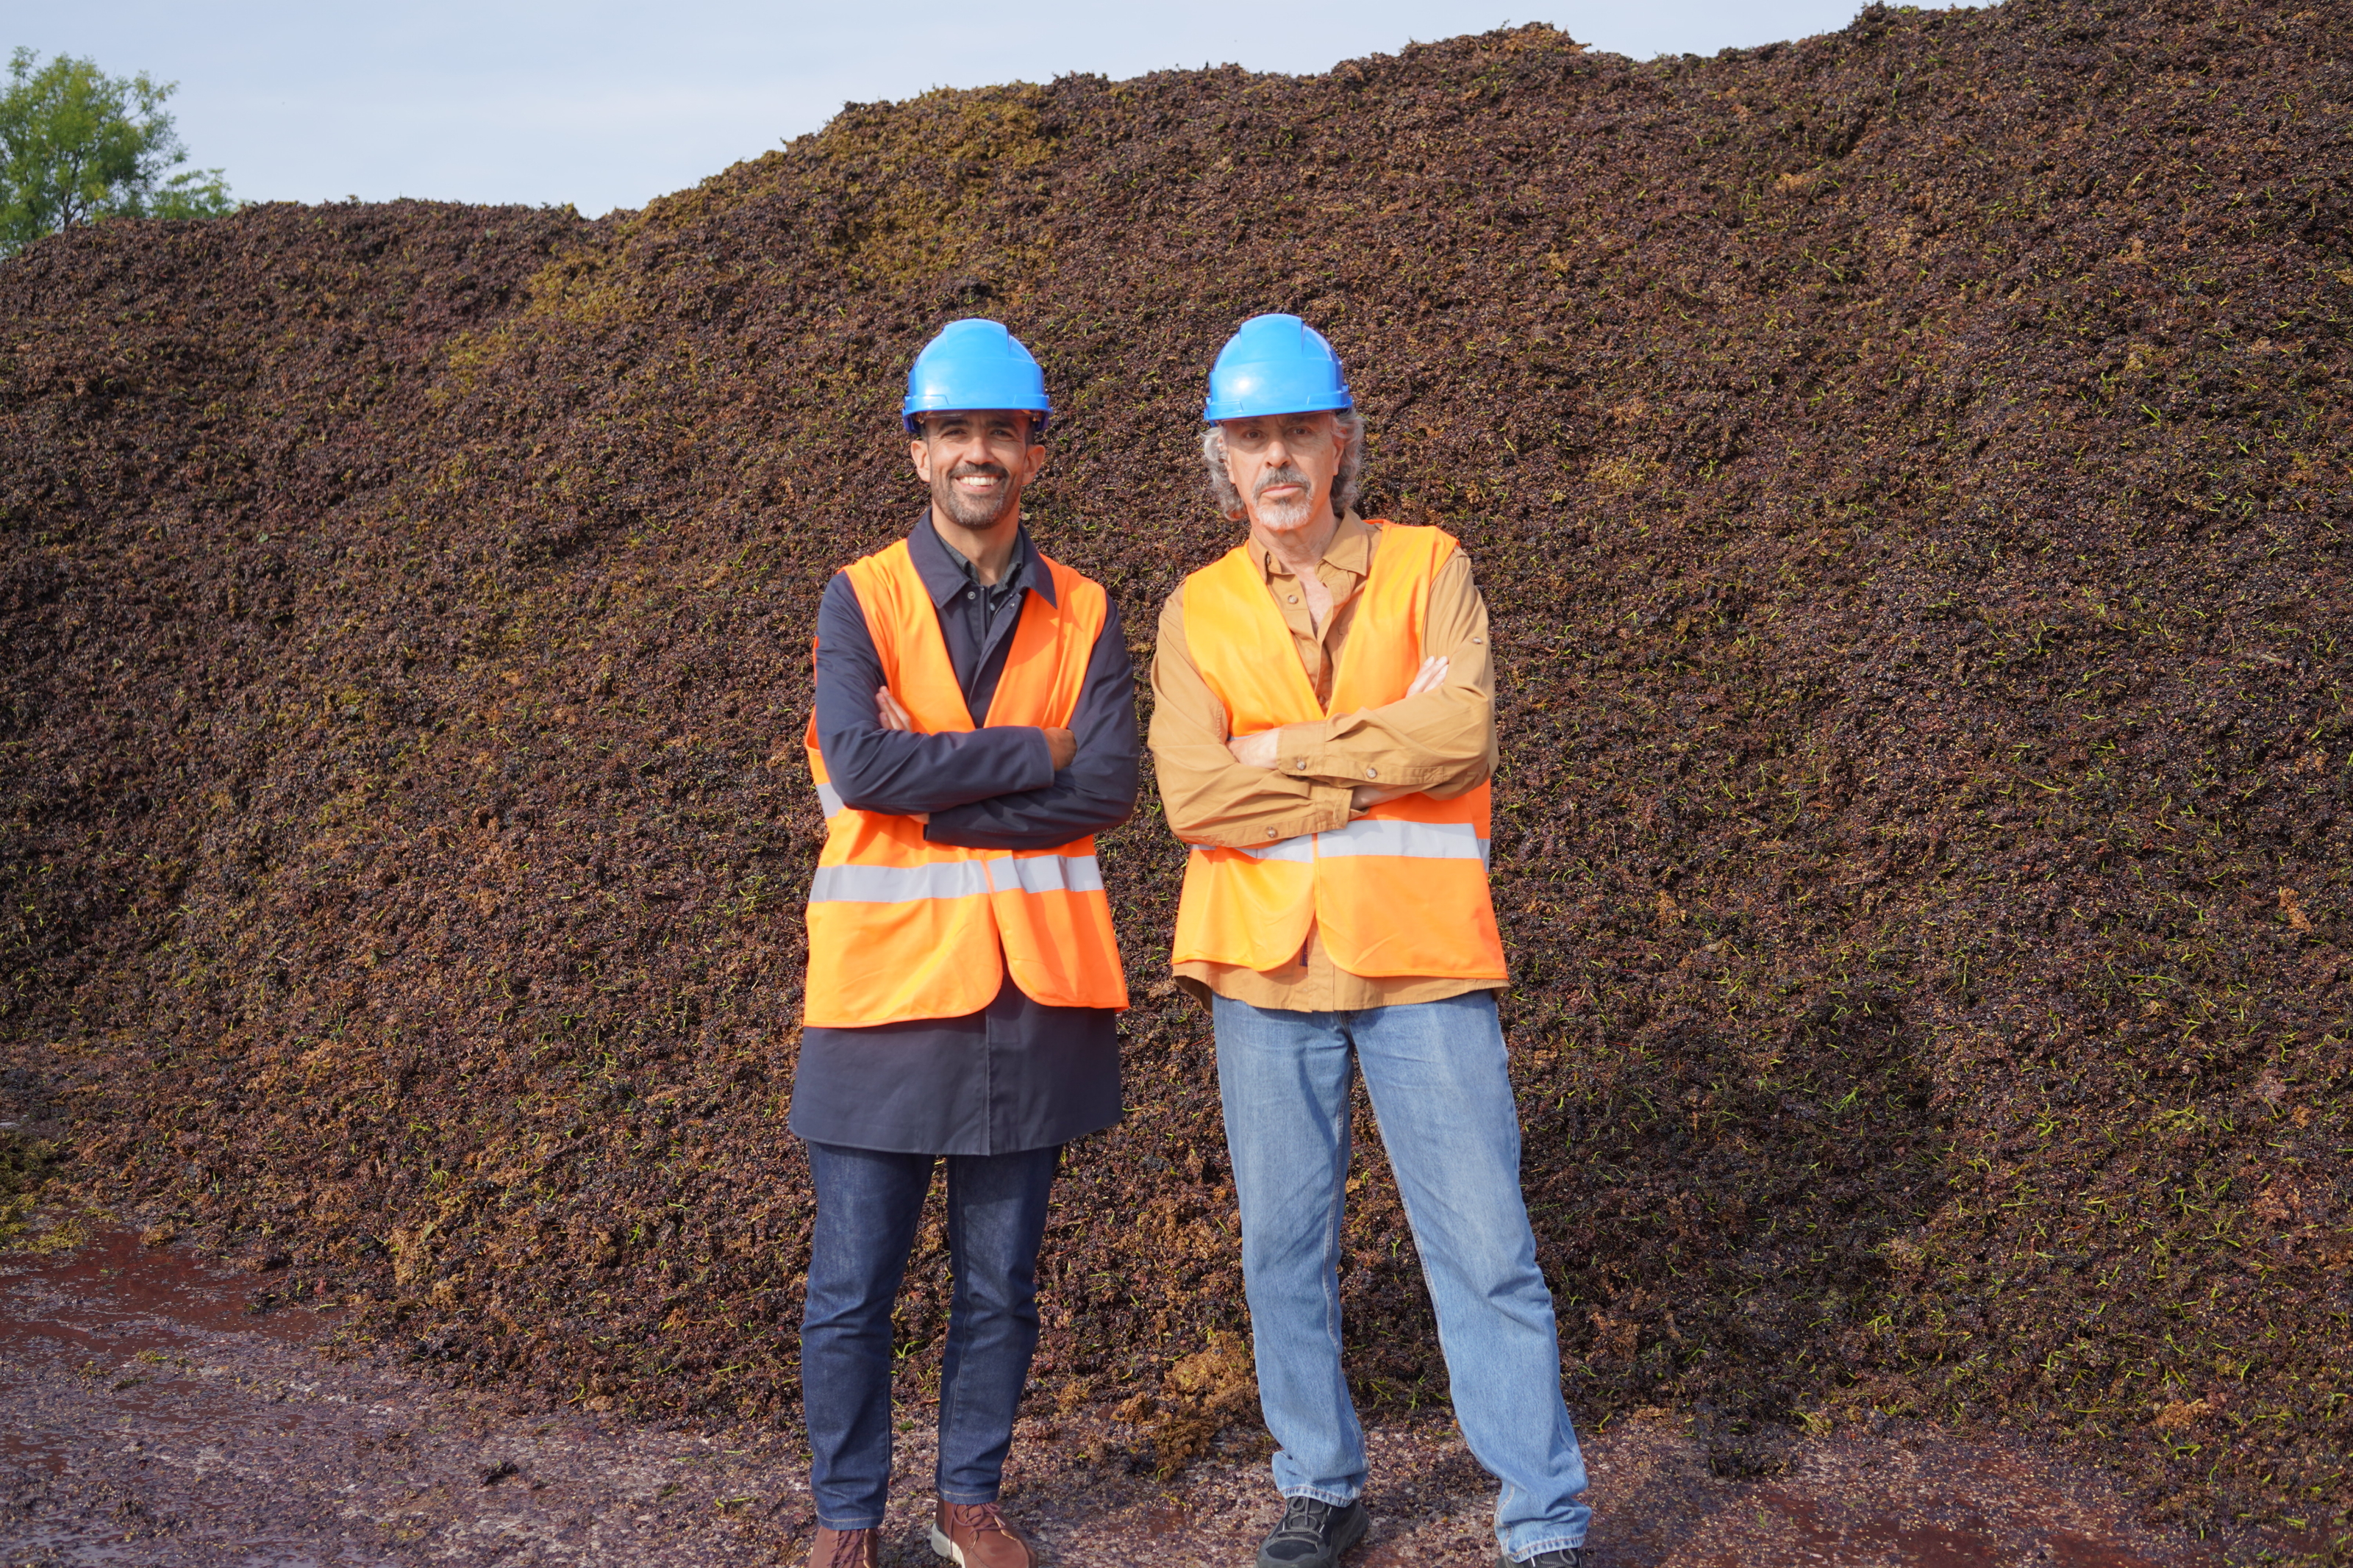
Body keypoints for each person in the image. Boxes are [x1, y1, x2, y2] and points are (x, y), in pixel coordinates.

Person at [1147, 314, 1592, 1568]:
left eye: (1299, 432)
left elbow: (1462, 735)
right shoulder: (1197, 610)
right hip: (1262, 968)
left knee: (1486, 1248)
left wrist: (1284, 754)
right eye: (1252, 439)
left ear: (1342, 441)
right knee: (1283, 1250)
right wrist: (1368, 759)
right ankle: (1322, 1486)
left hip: (1421, 963)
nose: (1277, 459)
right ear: (1221, 460)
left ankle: (1545, 1520)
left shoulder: (1430, 562)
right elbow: (1192, 795)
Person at [792, 318, 1138, 1568]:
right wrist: (1026, 753)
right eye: (956, 433)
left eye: (1004, 431)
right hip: (882, 998)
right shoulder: (860, 597)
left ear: (1034, 454)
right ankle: (846, 1517)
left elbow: (1107, 787)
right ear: (919, 451)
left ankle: (968, 1498)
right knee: (853, 1289)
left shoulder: (1088, 608)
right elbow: (862, 758)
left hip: (1031, 1000)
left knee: (1000, 1286)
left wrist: (929, 784)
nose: (979, 453)